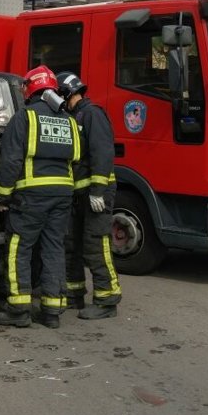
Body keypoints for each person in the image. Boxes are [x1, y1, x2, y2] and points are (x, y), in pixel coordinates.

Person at [0, 65, 79, 329]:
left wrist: (2, 196)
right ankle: (52, 311)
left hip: (31, 195)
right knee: (53, 247)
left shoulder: (25, 117)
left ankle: (18, 309)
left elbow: (11, 161)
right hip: (63, 194)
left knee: (19, 248)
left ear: (30, 88)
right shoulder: (69, 120)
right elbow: (76, 158)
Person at [56, 71, 121, 320]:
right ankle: (74, 294)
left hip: (96, 192)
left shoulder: (92, 114)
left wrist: (98, 191)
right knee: (71, 244)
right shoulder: (73, 117)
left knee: (96, 244)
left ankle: (107, 300)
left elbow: (102, 152)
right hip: (77, 193)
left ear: (66, 93)